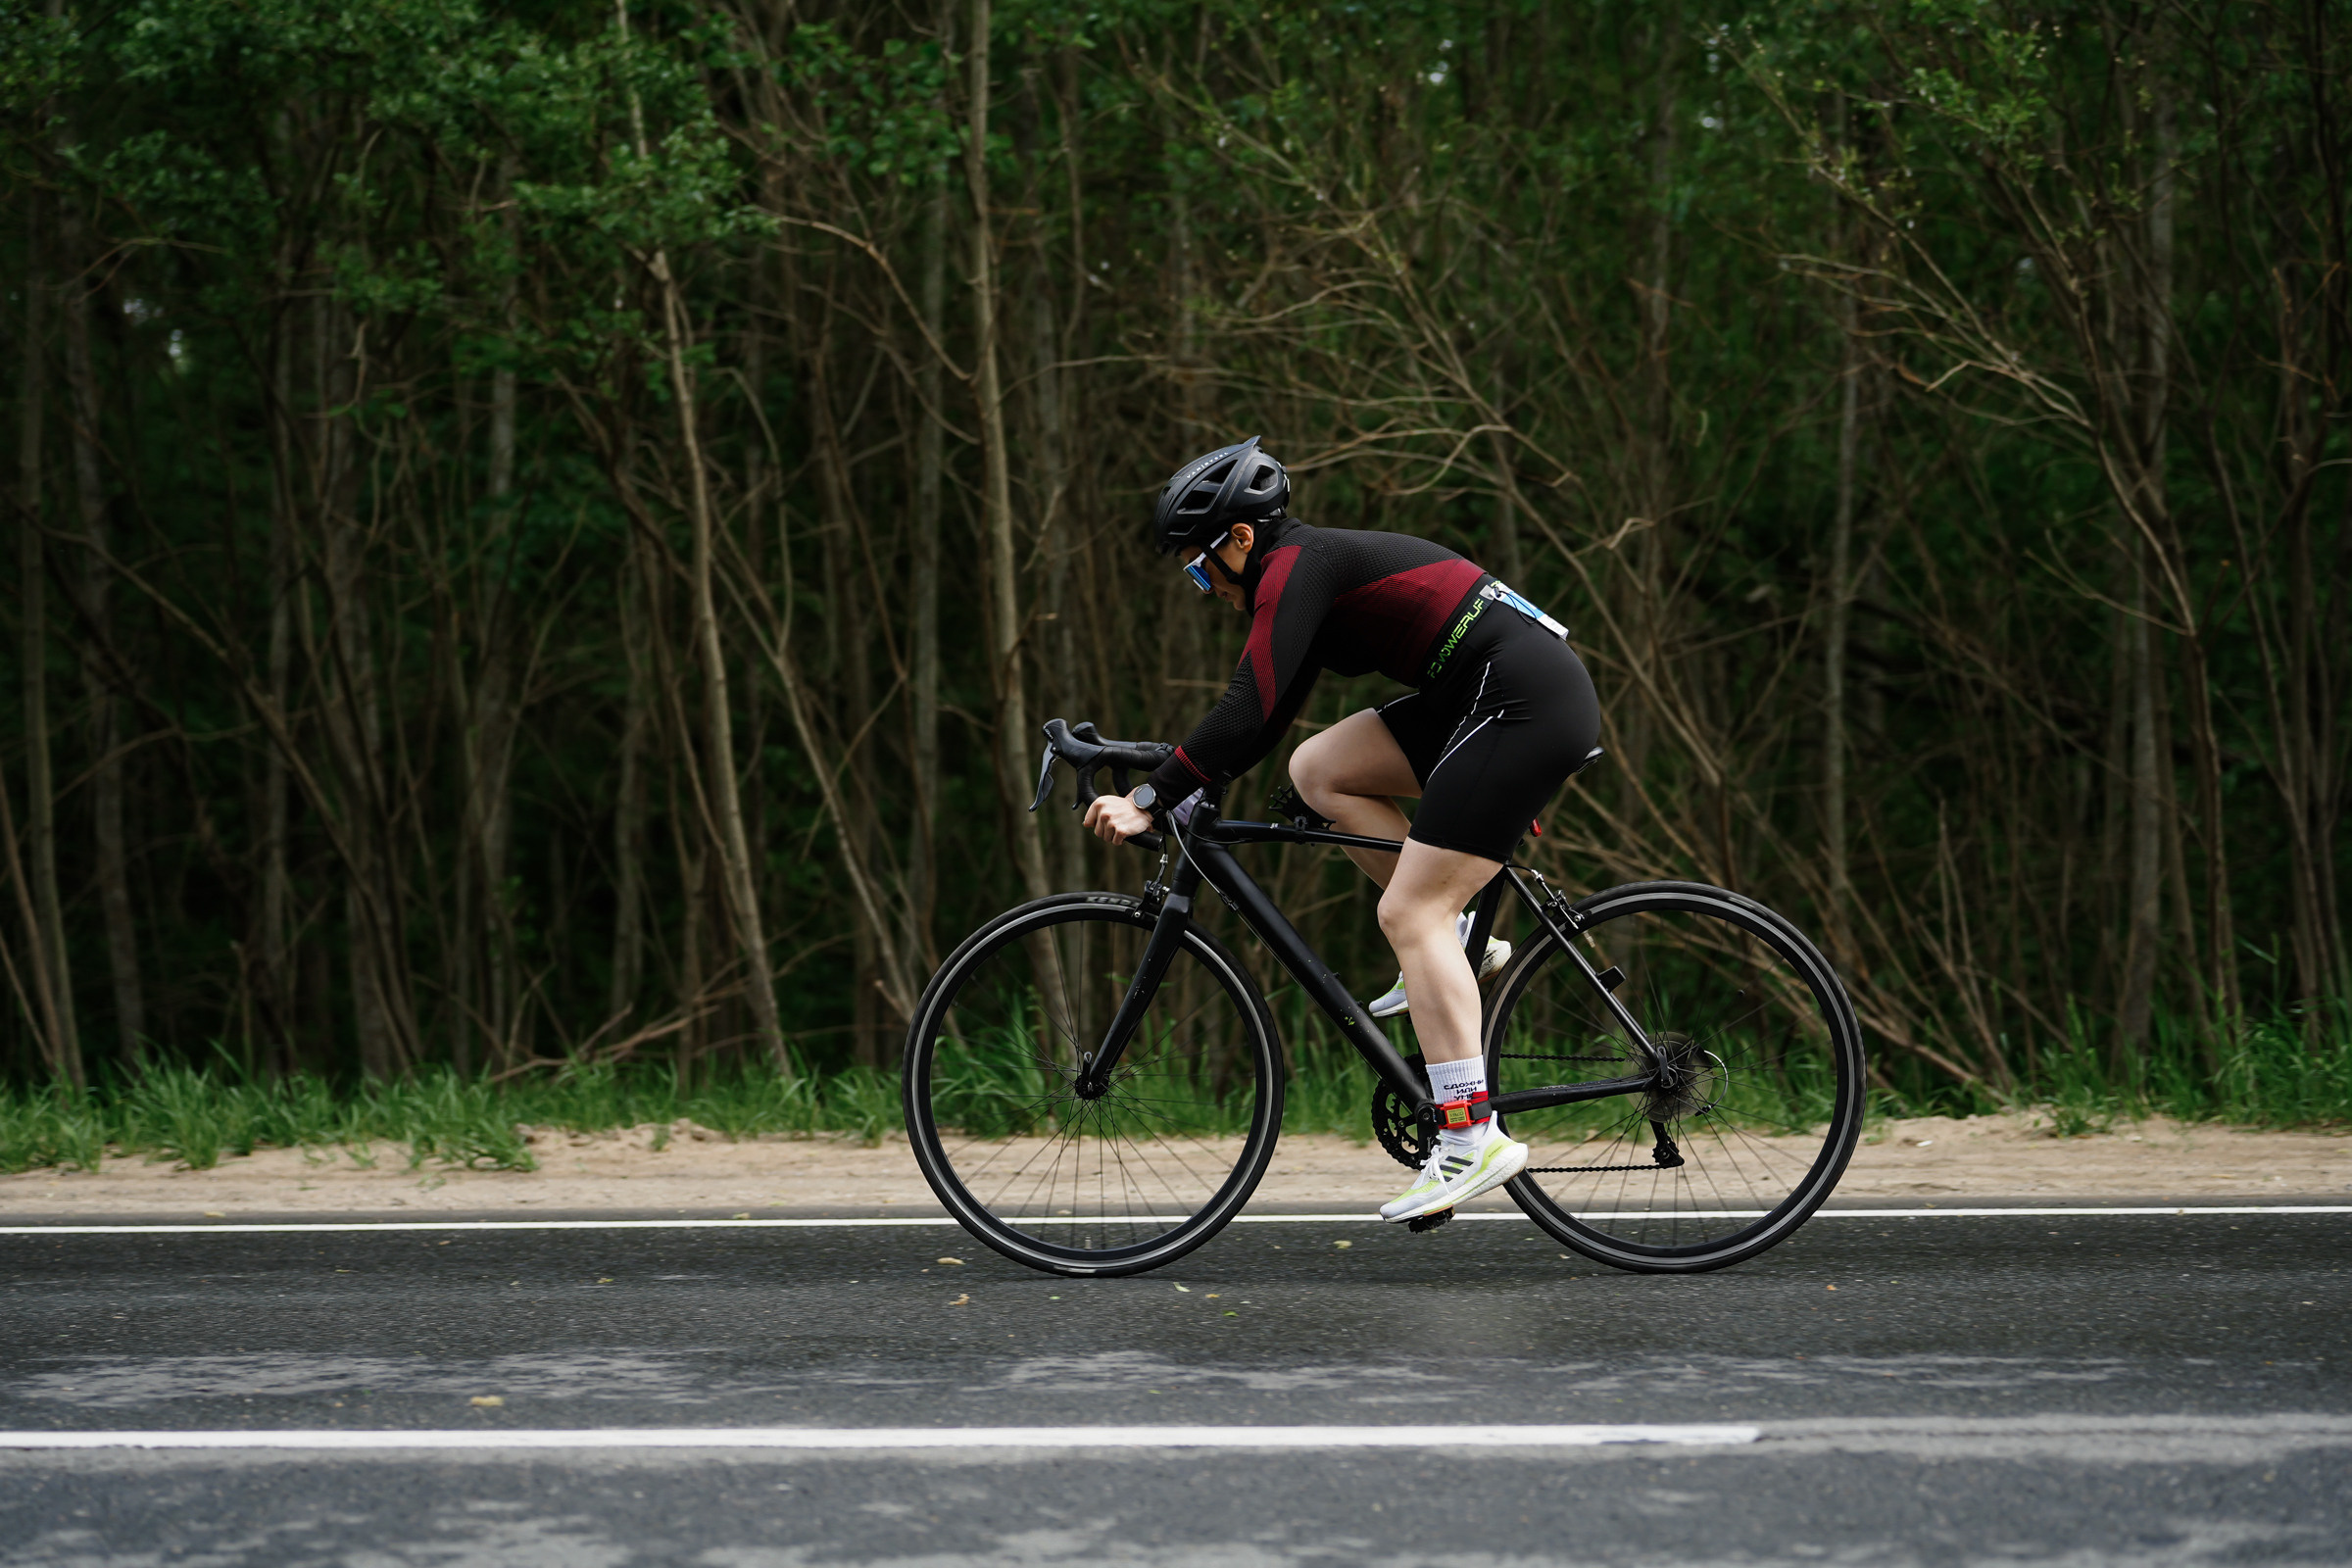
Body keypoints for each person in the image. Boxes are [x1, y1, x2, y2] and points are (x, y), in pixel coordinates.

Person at [1082, 436, 1602, 1224]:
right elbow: (1266, 720)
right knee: (1319, 769)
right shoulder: (1300, 578)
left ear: (1241, 540)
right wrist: (1182, 775)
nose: (1198, 586)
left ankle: (1471, 1137)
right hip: (1487, 692)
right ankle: (1459, 935)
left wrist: (1154, 796)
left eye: (1196, 566)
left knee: (1407, 913)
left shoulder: (1297, 568)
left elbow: (1247, 707)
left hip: (1519, 700)